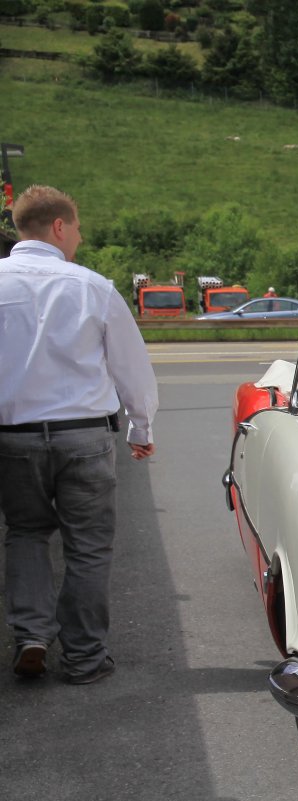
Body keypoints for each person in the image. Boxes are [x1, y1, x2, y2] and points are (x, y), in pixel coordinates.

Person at [0, 185, 158, 684]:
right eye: (78, 229)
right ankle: (85, 657)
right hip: (85, 438)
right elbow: (131, 367)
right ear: (59, 227)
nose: (80, 238)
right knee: (87, 546)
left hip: (12, 438)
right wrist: (140, 426)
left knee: (26, 532)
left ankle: (31, 634)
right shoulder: (93, 287)